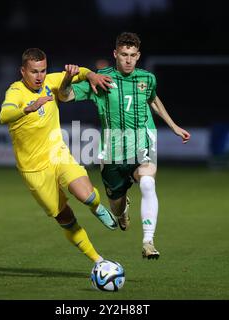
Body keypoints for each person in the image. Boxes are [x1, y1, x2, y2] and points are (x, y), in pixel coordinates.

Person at [58, 32, 191, 260]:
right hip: (113, 152)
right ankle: (122, 211)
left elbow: (153, 99)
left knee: (148, 183)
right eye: (123, 55)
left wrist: (174, 126)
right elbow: (65, 96)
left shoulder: (147, 78)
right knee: (116, 208)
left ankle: (148, 241)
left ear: (138, 56)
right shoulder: (101, 79)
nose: (128, 60)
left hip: (142, 143)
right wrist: (68, 78)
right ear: (115, 54)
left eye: (132, 55)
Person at [0, 48, 117, 265]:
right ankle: (98, 260)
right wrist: (28, 109)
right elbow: (4, 115)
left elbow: (78, 71)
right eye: (34, 71)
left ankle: (97, 208)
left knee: (87, 196)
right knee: (65, 218)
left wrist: (91, 75)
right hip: (33, 169)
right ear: (22, 71)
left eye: (43, 70)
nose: (39, 76)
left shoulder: (51, 81)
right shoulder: (15, 92)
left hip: (57, 154)